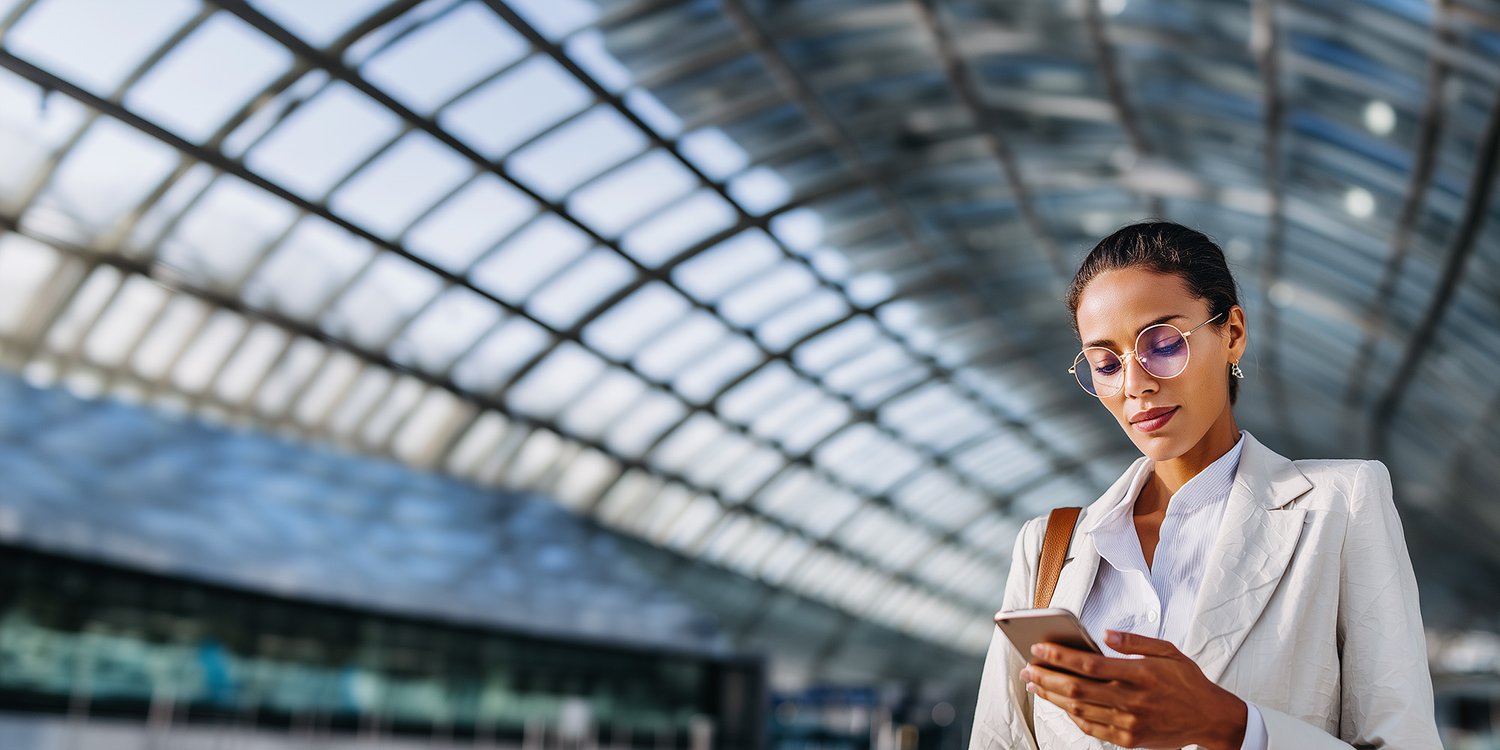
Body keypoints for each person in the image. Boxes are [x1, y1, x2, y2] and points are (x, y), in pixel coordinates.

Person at [969, 222, 1442, 749]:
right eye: (1106, 363)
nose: (1135, 384)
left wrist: (1231, 726)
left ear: (1232, 334)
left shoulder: (1340, 505)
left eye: (1164, 343)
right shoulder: (1049, 549)